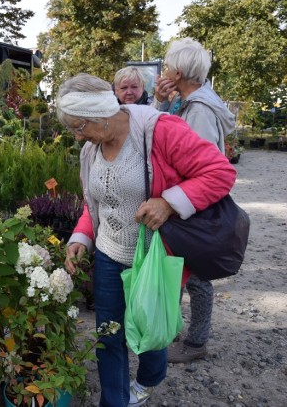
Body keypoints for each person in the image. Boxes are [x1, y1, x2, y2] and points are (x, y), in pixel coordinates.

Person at [56, 73, 236, 406]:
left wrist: (169, 202)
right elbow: (96, 201)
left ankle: (150, 376)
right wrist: (81, 236)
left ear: (99, 115)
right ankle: (115, 401)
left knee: (151, 332)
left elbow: (221, 172)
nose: (76, 136)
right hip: (109, 254)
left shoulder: (158, 131)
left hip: (153, 255)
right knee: (109, 334)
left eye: (78, 127)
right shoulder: (90, 151)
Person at [152, 37, 236, 363]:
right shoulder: (185, 102)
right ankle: (175, 332)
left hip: (193, 204)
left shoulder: (199, 110)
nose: (165, 70)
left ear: (182, 70)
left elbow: (201, 167)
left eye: (169, 65)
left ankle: (196, 343)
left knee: (197, 275)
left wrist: (174, 201)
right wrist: (160, 101)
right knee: (181, 270)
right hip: (183, 202)